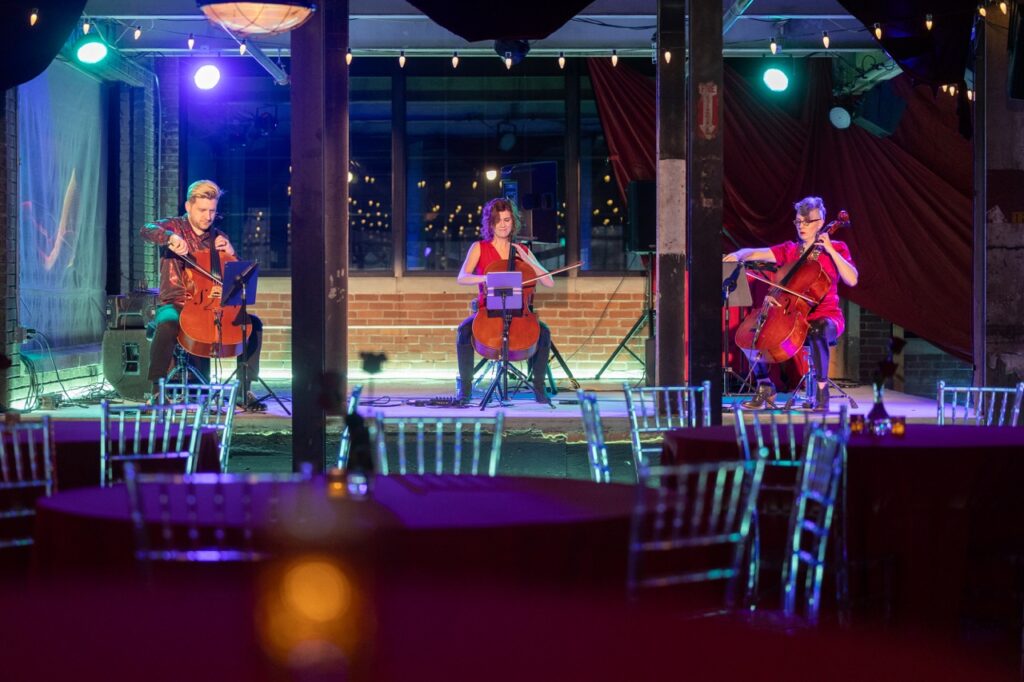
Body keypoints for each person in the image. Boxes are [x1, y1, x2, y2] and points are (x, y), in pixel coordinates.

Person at [723, 196, 858, 411]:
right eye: (798, 222)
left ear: (821, 222)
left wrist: (830, 249)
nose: (801, 226)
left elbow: (852, 279)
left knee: (818, 328)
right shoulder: (789, 250)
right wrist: (740, 254)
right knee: (751, 332)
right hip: (790, 314)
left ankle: (822, 393)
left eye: (807, 222)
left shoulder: (837, 248)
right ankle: (765, 386)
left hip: (826, 316)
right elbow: (758, 252)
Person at [139, 179, 265, 410]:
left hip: (210, 305)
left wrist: (231, 253)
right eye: (202, 210)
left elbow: (235, 278)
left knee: (252, 324)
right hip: (176, 301)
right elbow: (146, 229)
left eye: (212, 211)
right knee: (167, 324)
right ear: (188, 207)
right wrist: (170, 238)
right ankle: (157, 391)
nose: (208, 216)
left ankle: (244, 388)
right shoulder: (175, 227)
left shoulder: (218, 237)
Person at [455, 197, 555, 404]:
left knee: (543, 333)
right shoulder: (479, 247)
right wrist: (486, 277)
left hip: (519, 312)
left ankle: (538, 387)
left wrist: (525, 258)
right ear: (490, 223)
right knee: (464, 331)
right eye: (498, 220)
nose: (503, 224)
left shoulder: (522, 250)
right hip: (488, 310)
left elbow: (549, 282)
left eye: (507, 220)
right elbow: (462, 277)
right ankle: (465, 388)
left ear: (513, 222)